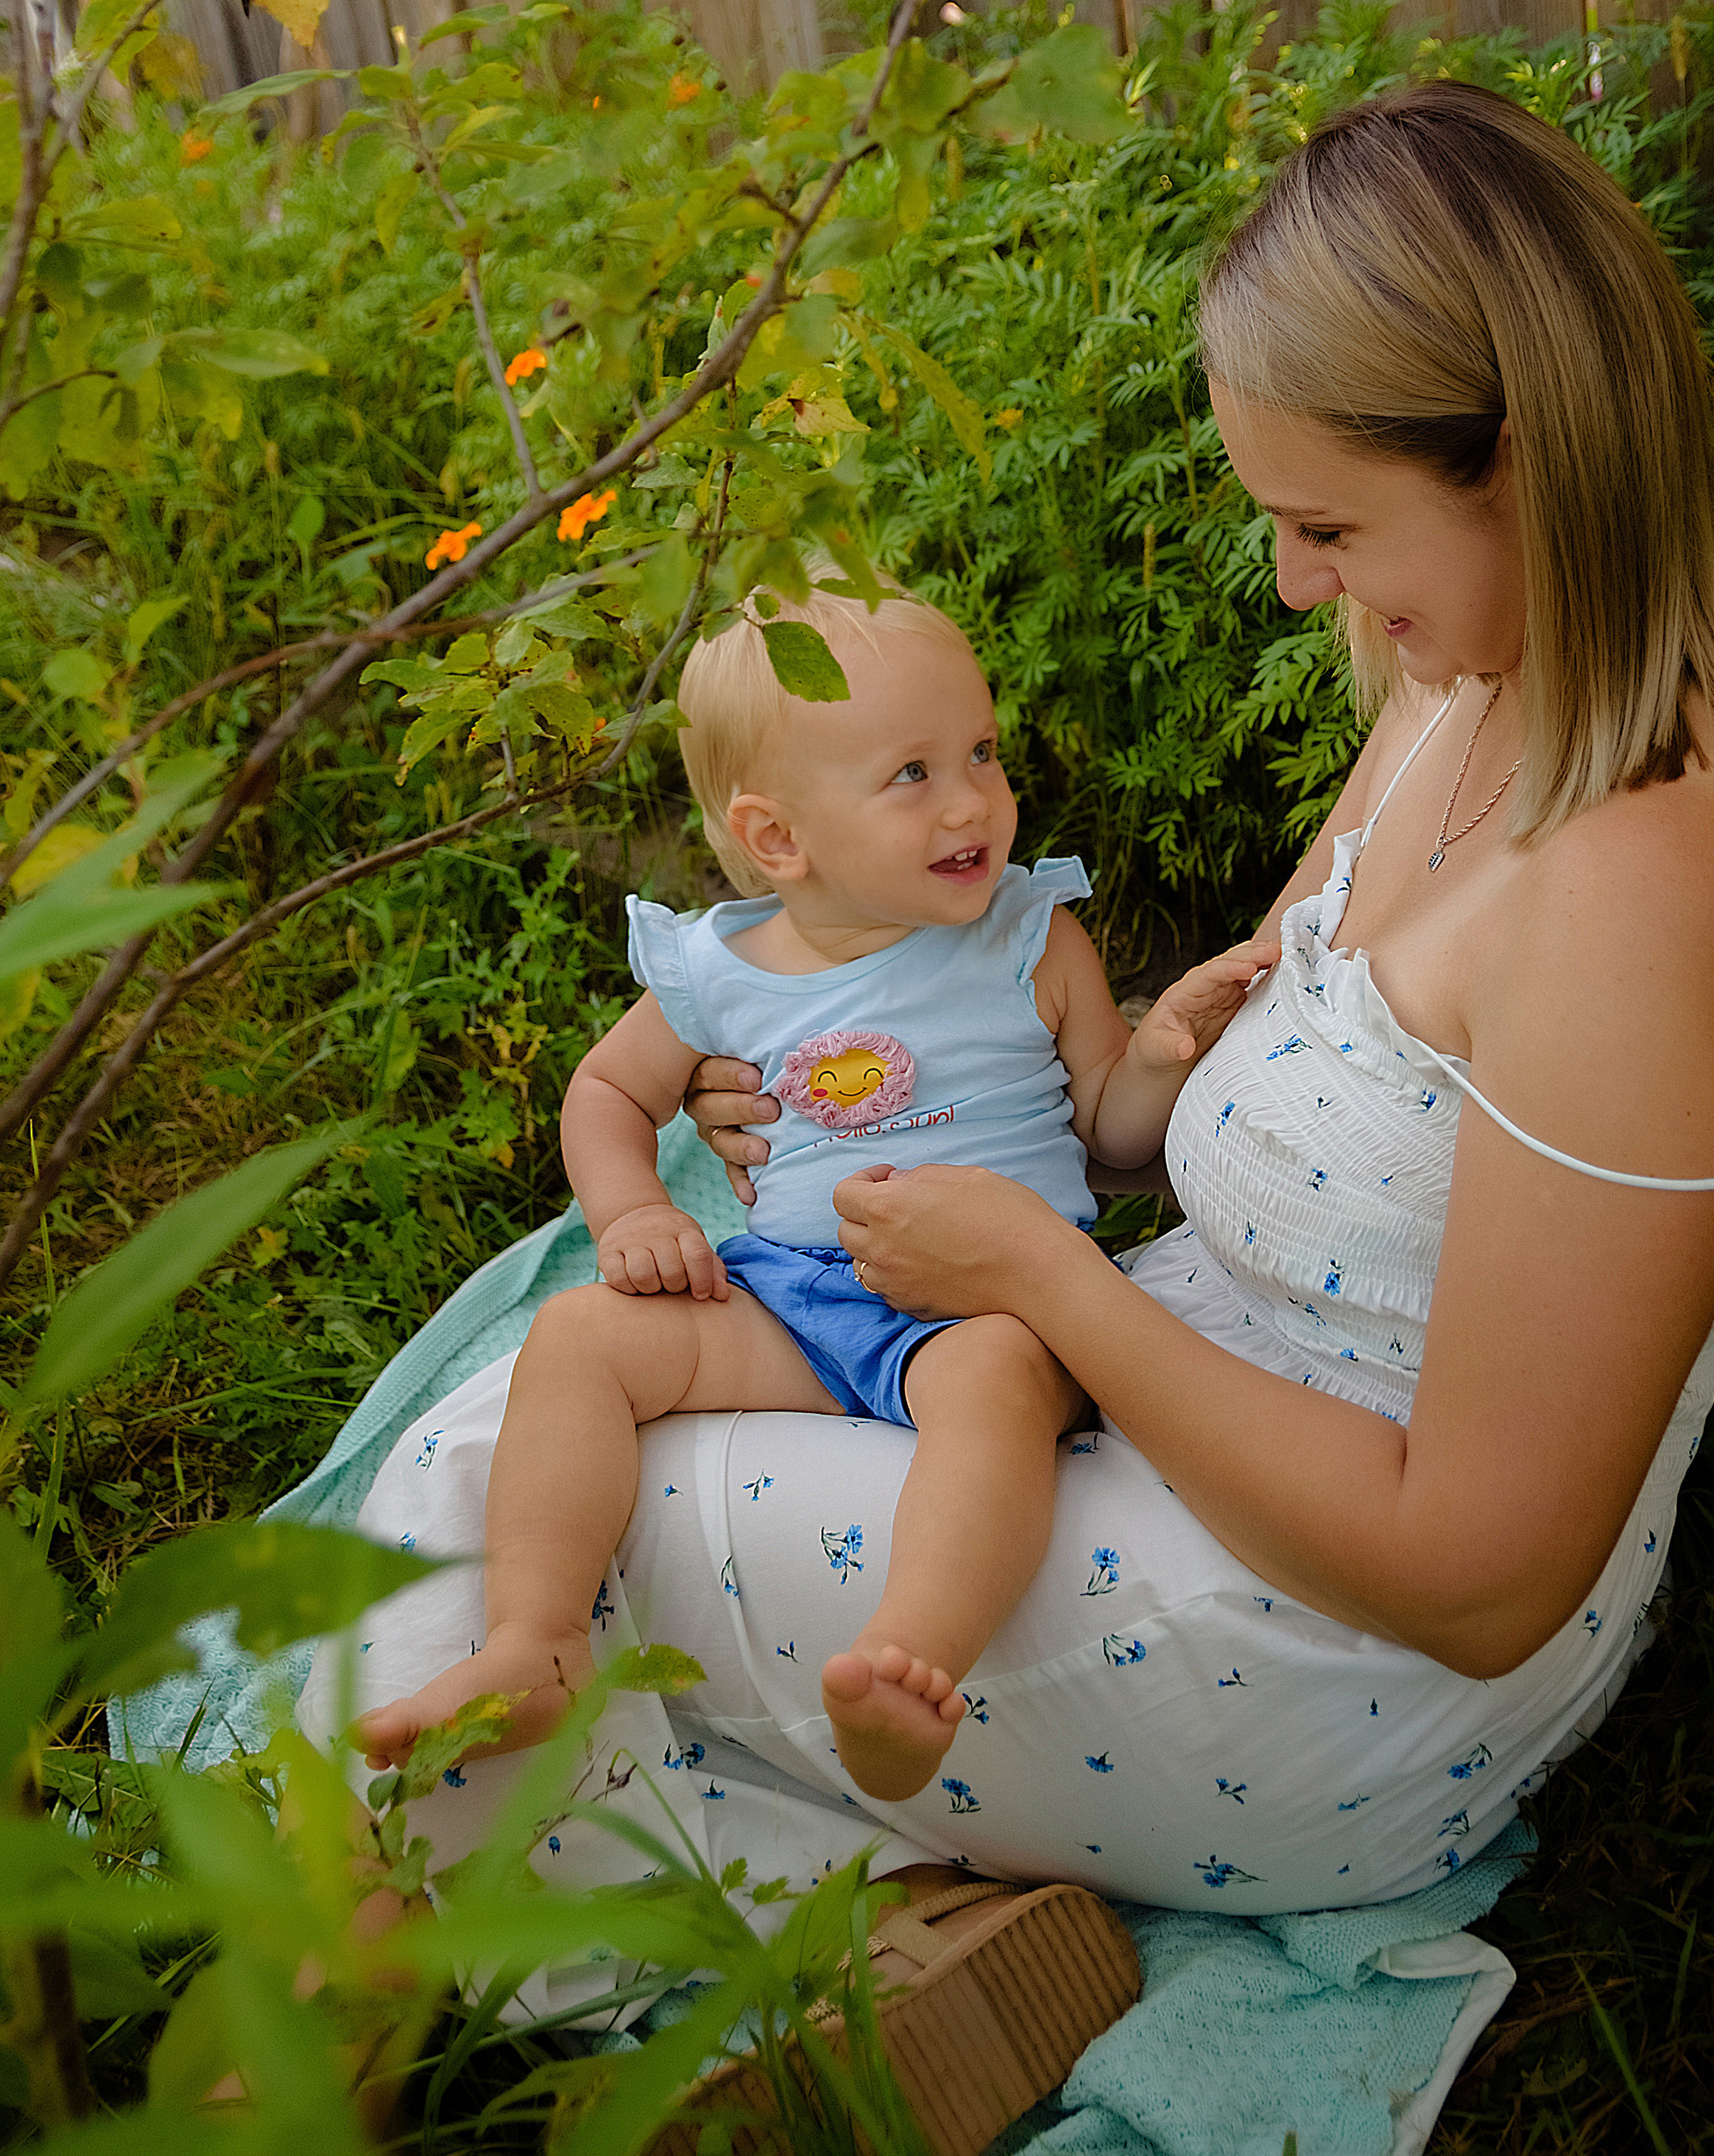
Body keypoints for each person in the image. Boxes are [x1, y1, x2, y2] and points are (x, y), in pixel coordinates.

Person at [313, 79, 1714, 1925]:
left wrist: (1046, 1286)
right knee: (561, 1421)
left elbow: (1477, 1579)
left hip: (1327, 1653)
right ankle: (548, 1928)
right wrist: (882, 1088)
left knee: (492, 1490)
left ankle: (345, 2020)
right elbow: (1227, 1104)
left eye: (1328, 525)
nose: (1294, 586)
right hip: (1166, 1418)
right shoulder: (1465, 687)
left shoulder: (1659, 896)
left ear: (1520, 462)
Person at [355, 589, 1265, 1803]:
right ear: (778, 838)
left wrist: (1155, 1058)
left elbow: (1108, 1128)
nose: (973, 801)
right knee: (577, 1336)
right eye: (913, 774)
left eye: (982, 753)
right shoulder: (718, 972)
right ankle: (537, 1640)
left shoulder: (1030, 939)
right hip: (797, 1297)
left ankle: (909, 1662)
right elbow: (608, 1094)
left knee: (998, 1388)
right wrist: (635, 1215)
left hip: (995, 1302)